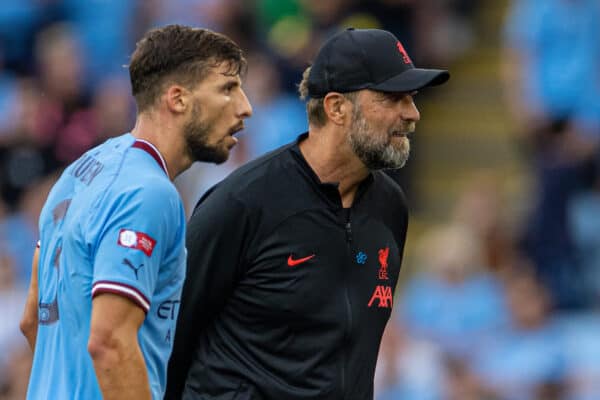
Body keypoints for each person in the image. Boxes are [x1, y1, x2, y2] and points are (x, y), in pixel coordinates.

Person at [166, 27, 449, 400]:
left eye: (411, 98)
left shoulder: (390, 207)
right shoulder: (243, 203)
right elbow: (169, 337)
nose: (412, 114)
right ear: (336, 108)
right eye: (393, 98)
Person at [19, 24, 252, 400]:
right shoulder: (150, 194)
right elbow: (109, 341)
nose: (246, 107)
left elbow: (34, 320)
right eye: (228, 89)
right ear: (177, 99)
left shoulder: (79, 172)